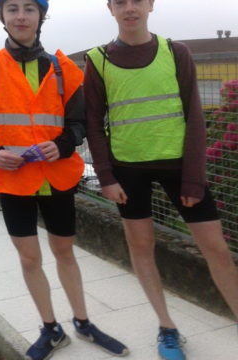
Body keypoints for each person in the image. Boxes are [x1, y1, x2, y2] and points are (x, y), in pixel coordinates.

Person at [0, 1, 129, 359]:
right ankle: (50, 329)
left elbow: (80, 124)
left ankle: (83, 321)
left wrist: (62, 144)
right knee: (29, 259)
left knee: (64, 252)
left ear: (41, 16)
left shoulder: (63, 68)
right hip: (13, 181)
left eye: (29, 8)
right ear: (2, 17)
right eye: (12, 8)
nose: (21, 16)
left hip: (56, 178)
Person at [84, 1, 238, 359]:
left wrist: (194, 178)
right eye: (120, 2)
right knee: (141, 248)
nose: (129, 8)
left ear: (150, 4)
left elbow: (195, 116)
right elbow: (93, 122)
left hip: (179, 168)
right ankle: (167, 328)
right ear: (110, 8)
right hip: (128, 170)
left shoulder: (175, 51)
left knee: (217, 250)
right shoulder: (98, 59)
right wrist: (105, 176)